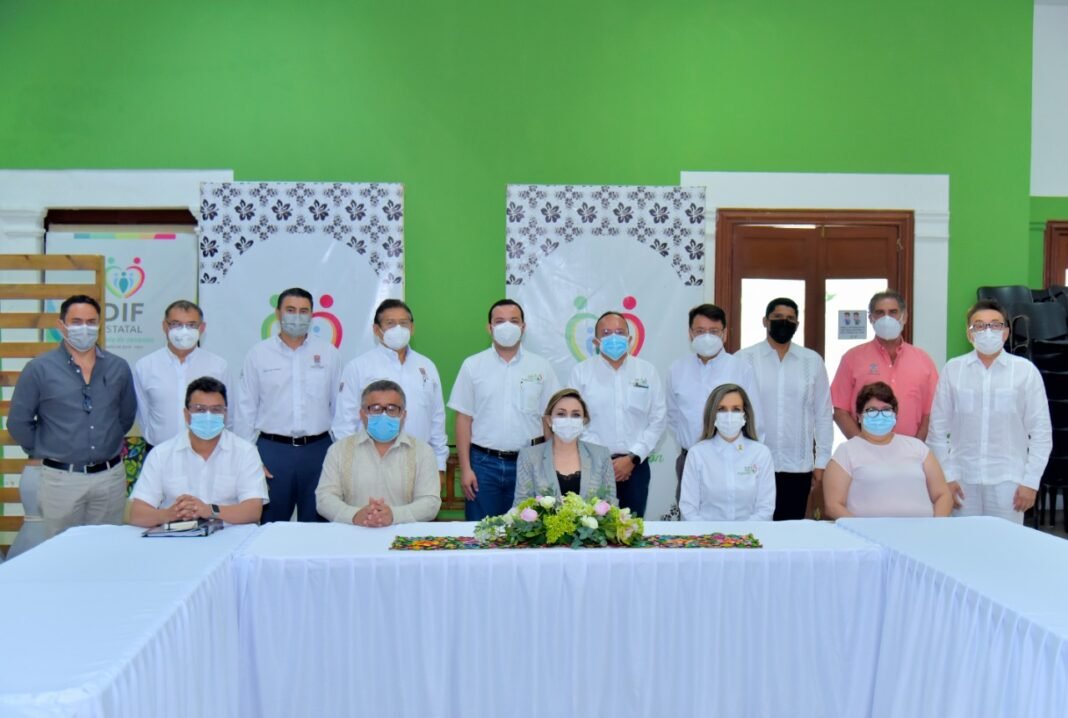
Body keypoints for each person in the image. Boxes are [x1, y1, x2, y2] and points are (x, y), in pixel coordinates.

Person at [8, 295, 137, 539]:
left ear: (99, 324)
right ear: (62, 325)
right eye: (76, 322)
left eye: (91, 322)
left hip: (109, 479)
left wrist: (106, 441)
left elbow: (126, 416)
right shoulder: (39, 368)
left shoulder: (118, 367)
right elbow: (18, 422)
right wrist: (45, 449)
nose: (84, 328)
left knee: (105, 549)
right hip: (60, 480)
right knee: (60, 551)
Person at [927, 299, 1052, 523]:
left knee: (1006, 543)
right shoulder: (953, 370)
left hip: (1009, 482)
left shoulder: (1025, 372)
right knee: (964, 542)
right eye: (979, 325)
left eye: (995, 325)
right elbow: (937, 430)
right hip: (962, 481)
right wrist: (947, 477)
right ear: (969, 334)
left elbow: (1041, 433)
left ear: (1006, 332)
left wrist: (1031, 482)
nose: (987, 331)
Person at [234, 287, 341, 522]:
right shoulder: (258, 354)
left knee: (318, 526)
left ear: (312, 315)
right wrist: (248, 459)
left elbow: (340, 409)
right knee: (270, 527)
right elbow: (245, 410)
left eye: (304, 311)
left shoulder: (328, 353)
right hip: (273, 452)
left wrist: (340, 453)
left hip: (318, 451)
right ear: (278, 313)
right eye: (290, 310)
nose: (297, 316)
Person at [448, 299, 560, 520]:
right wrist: (466, 469)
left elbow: (548, 419)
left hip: (530, 462)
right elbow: (463, 419)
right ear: (489, 328)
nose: (507, 326)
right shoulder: (472, 365)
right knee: (481, 531)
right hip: (483, 465)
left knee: (528, 531)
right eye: (500, 321)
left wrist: (551, 466)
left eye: (514, 321)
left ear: (523, 327)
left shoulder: (541, 366)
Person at [738, 298, 833, 520]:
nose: (784, 322)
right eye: (778, 317)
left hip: (797, 467)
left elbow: (823, 414)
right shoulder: (744, 359)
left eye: (790, 319)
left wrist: (822, 461)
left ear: (797, 324)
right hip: (753, 464)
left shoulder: (812, 361)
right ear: (765, 321)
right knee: (754, 529)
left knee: (790, 530)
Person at [129, 376, 267, 527]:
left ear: (225, 414)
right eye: (200, 409)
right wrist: (169, 514)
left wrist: (209, 510)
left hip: (229, 535)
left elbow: (253, 511)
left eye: (216, 410)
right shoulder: (161, 454)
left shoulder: (245, 452)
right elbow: (137, 514)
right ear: (186, 414)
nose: (208, 416)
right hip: (176, 536)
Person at [331, 299, 447, 471]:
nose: (398, 329)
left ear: (412, 328)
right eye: (390, 323)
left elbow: (437, 419)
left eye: (403, 323)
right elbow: (344, 424)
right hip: (370, 465)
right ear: (376, 329)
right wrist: (350, 467)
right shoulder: (358, 367)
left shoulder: (427, 366)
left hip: (419, 463)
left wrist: (439, 464)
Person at [568, 311, 665, 516]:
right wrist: (604, 459)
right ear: (596, 341)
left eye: (620, 332)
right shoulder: (581, 372)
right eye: (606, 333)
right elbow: (574, 420)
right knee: (593, 527)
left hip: (635, 467)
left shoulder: (647, 371)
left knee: (632, 528)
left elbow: (658, 419)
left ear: (629, 339)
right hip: (594, 465)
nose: (614, 337)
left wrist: (632, 458)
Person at [666, 303, 763, 494]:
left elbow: (755, 419)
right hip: (690, 460)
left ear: (724, 334)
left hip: (734, 461)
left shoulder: (741, 369)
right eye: (700, 331)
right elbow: (673, 416)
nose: (707, 337)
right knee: (688, 511)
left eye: (713, 331)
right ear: (690, 334)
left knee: (733, 511)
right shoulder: (677, 369)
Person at [316, 380, 441, 525]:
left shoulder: (423, 452)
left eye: (392, 409)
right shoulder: (339, 450)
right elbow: (324, 499)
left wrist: (394, 515)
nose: (384, 415)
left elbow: (430, 503)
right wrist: (355, 515)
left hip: (403, 535)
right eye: (375, 408)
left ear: (403, 414)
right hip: (353, 533)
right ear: (362, 414)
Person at [823, 382, 953, 518]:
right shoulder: (846, 452)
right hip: (866, 531)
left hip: (923, 530)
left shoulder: (918, 447)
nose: (880, 415)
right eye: (872, 410)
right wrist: (860, 530)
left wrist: (936, 526)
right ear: (859, 417)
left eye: (886, 409)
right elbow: (833, 505)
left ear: (895, 415)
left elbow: (943, 495)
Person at [831, 290, 938, 440]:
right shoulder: (852, 359)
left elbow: (931, 413)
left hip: (912, 450)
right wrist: (861, 445)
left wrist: (916, 446)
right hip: (864, 450)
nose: (886, 318)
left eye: (893, 312)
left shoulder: (923, 361)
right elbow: (840, 410)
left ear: (904, 317)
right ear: (871, 318)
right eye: (880, 312)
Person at [133, 300, 229, 451]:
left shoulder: (218, 366)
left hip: (207, 452)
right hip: (159, 452)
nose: (184, 331)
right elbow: (143, 414)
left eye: (191, 325)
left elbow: (228, 414)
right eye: (176, 324)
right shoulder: (145, 366)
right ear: (165, 326)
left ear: (202, 328)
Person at [679, 383, 775, 521]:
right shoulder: (697, 454)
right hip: (706, 533)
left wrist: (743, 533)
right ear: (712, 414)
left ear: (745, 414)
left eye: (736, 409)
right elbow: (688, 509)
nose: (729, 415)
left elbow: (765, 509)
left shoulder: (761, 454)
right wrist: (712, 534)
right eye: (721, 409)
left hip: (750, 533)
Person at [512, 388, 616, 505]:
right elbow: (521, 505)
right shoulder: (529, 456)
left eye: (575, 415)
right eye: (561, 414)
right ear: (549, 420)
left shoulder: (601, 455)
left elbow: (611, 503)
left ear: (584, 421)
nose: (568, 420)